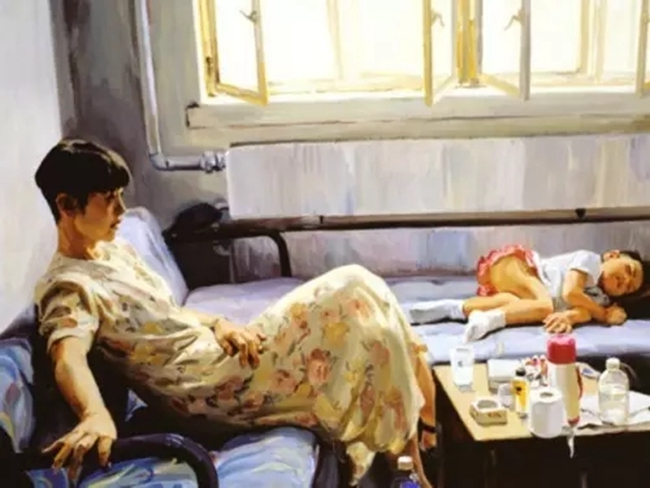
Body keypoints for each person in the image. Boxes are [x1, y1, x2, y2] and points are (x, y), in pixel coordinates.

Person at [32, 140, 437, 487]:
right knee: (351, 291)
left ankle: (408, 457)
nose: (121, 209)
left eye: (120, 196)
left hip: (217, 354)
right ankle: (411, 460)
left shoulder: (113, 251)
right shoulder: (68, 286)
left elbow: (166, 315)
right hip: (202, 386)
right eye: (108, 199)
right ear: (66, 205)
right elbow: (68, 356)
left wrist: (218, 323)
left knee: (358, 289)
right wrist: (94, 414)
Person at [410, 244, 650, 342]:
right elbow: (571, 293)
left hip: (524, 293)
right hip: (517, 265)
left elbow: (583, 312)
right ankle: (489, 320)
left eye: (629, 287)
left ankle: (451, 309)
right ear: (612, 255)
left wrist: (568, 317)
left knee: (513, 303)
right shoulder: (590, 261)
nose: (626, 280)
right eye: (628, 270)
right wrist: (603, 315)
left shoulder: (599, 299)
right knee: (544, 305)